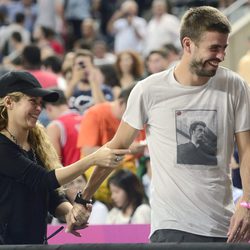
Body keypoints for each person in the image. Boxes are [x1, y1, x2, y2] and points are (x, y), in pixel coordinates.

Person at [81, 6, 250, 243]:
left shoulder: (236, 86)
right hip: (171, 226)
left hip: (225, 226)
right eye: (214, 48)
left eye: (224, 48)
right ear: (187, 44)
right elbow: (116, 148)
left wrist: (247, 203)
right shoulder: (149, 90)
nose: (221, 56)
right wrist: (85, 196)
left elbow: (247, 151)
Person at [0, 70, 129, 244]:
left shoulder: (36, 143)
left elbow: (51, 196)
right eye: (32, 101)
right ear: (9, 102)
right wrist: (92, 159)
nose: (39, 108)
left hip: (34, 243)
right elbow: (43, 180)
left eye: (40, 103)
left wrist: (70, 213)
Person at [45, 88, 82, 166]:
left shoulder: (54, 127)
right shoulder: (84, 119)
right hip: (92, 173)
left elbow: (54, 163)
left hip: (72, 175)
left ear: (49, 108)